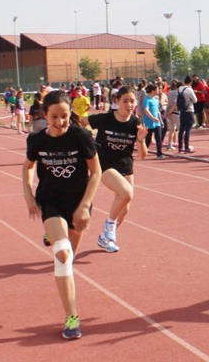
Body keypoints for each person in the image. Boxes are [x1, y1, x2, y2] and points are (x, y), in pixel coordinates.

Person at [22, 90, 102, 339]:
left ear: (71, 115)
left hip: (78, 203)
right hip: (51, 202)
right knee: (63, 254)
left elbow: (96, 172)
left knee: (68, 256)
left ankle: (55, 236)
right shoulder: (36, 140)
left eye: (64, 116)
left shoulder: (81, 137)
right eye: (54, 117)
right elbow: (27, 168)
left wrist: (85, 206)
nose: (59, 122)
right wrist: (28, 195)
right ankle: (72, 317)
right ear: (45, 115)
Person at [88, 87, 147, 253]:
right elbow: (81, 122)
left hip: (125, 166)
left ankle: (105, 239)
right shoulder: (105, 119)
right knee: (126, 193)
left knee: (125, 208)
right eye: (125, 101)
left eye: (132, 101)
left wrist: (141, 141)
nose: (129, 105)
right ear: (116, 101)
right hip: (104, 164)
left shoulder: (136, 124)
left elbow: (143, 156)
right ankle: (109, 225)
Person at [141, 83, 164, 160]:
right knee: (148, 139)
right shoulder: (147, 99)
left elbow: (157, 111)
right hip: (149, 123)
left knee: (159, 139)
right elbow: (146, 110)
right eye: (157, 89)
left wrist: (161, 120)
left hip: (157, 123)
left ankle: (159, 154)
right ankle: (143, 151)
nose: (158, 90)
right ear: (153, 91)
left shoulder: (155, 99)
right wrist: (153, 118)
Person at [176, 76, 198, 152]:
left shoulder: (179, 89)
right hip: (189, 110)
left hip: (182, 111)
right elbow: (195, 100)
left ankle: (180, 147)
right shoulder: (189, 90)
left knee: (181, 130)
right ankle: (186, 147)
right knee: (188, 130)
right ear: (191, 82)